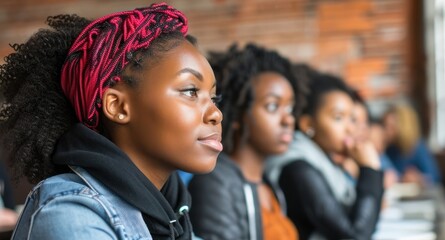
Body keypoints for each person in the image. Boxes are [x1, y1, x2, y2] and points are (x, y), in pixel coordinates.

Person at [0, 3, 222, 239]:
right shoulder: (69, 214)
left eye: (214, 97)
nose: (216, 113)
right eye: (190, 91)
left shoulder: (172, 212)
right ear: (117, 107)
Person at [188, 44, 307, 240]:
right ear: (237, 115)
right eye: (272, 106)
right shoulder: (215, 184)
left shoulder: (268, 183)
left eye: (289, 108)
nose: (288, 120)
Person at [266, 72, 384, 240]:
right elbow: (354, 236)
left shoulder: (325, 162)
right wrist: (370, 170)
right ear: (308, 124)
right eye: (338, 118)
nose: (350, 129)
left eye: (351, 119)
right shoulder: (298, 169)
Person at [383, 103, 441, 186]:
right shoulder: (389, 149)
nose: (386, 131)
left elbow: (435, 177)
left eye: (391, 127)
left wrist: (419, 178)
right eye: (385, 126)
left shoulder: (418, 147)